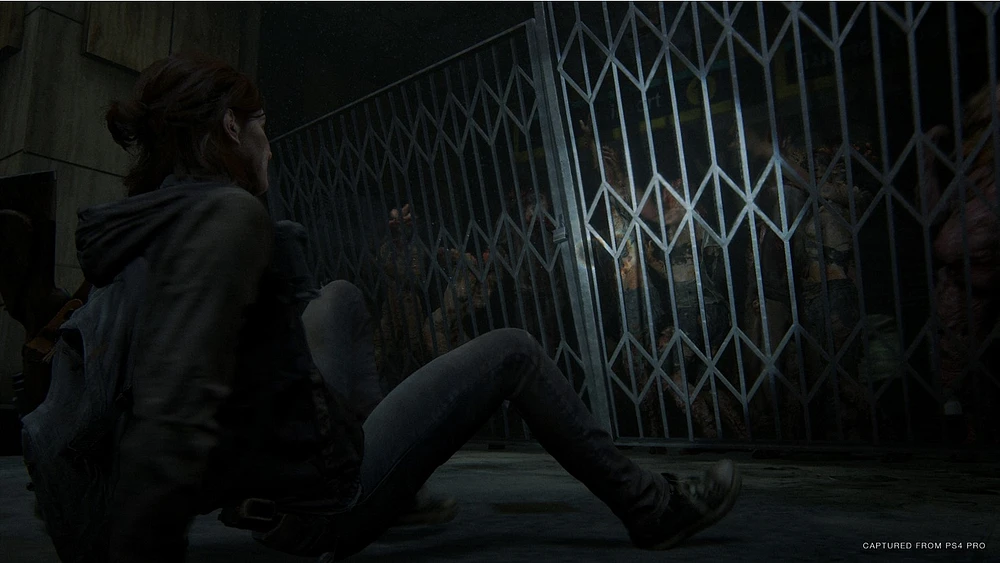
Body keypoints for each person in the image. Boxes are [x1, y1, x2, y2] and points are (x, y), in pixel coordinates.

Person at [27, 53, 741, 563]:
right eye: (263, 125)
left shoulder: (144, 222)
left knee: (338, 299)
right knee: (514, 351)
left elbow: (204, 362)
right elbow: (171, 412)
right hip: (319, 505)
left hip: (274, 472)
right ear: (230, 129)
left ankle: (392, 493)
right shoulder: (224, 218)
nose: (271, 144)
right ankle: (651, 508)